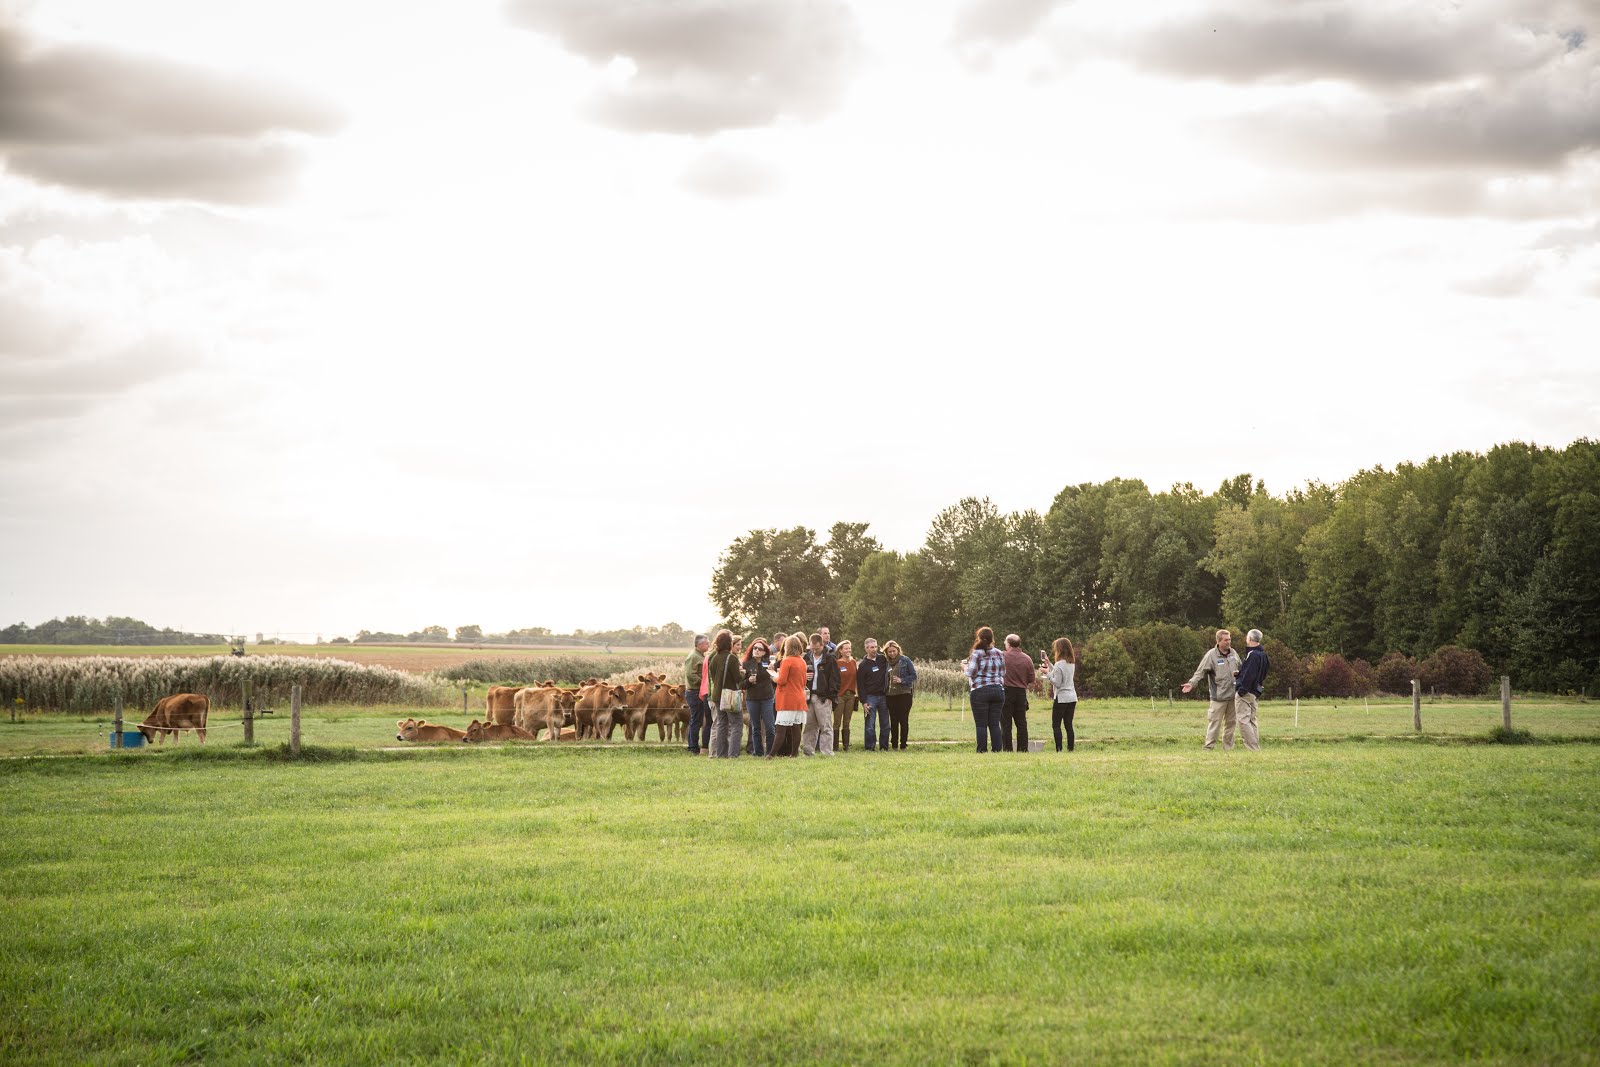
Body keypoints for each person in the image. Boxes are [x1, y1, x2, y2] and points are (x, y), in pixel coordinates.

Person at [1182, 628, 1243, 750]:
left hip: (1233, 696)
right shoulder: (1211, 655)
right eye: (1226, 640)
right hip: (1218, 698)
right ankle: (1209, 747)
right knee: (1215, 723)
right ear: (1219, 641)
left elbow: (1242, 669)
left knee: (1231, 724)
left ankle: (1228, 748)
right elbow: (1200, 672)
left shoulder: (1234, 653)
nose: (1229, 642)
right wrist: (1191, 683)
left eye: (1229, 639)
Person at [965, 626, 1006, 753]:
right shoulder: (999, 653)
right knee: (994, 723)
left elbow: (971, 673)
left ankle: (982, 750)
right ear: (992, 638)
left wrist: (964, 668)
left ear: (979, 638)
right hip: (998, 690)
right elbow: (1003, 672)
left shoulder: (976, 653)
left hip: (980, 690)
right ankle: (997, 750)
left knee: (981, 724)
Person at [706, 630, 744, 758]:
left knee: (721, 724)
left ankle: (721, 754)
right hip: (730, 695)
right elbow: (738, 678)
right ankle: (733, 754)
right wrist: (743, 672)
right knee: (736, 724)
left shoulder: (714, 658)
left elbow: (713, 676)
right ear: (729, 644)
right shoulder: (731, 658)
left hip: (716, 695)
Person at [768, 635, 807, 758]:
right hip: (799, 697)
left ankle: (771, 754)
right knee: (796, 728)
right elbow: (803, 681)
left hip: (787, 698)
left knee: (781, 729)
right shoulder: (802, 661)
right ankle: (794, 753)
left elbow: (782, 680)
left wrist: (774, 677)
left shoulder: (787, 661)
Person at [801, 632, 840, 756]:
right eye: (812, 648)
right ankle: (808, 751)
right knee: (809, 726)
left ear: (822, 645)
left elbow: (835, 679)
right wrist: (805, 677)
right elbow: (799, 676)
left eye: (816, 648)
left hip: (823, 697)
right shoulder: (806, 657)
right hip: (809, 695)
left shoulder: (830, 658)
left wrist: (831, 697)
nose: (814, 651)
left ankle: (827, 752)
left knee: (825, 725)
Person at [1232, 629, 1269, 751]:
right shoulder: (1263, 654)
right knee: (1252, 720)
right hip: (1255, 691)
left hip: (1247, 692)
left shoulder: (1252, 654)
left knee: (1243, 720)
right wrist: (1240, 674)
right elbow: (1262, 672)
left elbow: (1250, 674)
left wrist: (1242, 689)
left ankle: (1252, 748)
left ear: (1250, 639)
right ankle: (1255, 746)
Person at [1000, 633, 1035, 752]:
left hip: (1006, 691)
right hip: (1021, 693)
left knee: (1006, 723)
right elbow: (1031, 678)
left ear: (1008, 644)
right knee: (1021, 723)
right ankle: (1023, 749)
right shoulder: (1027, 658)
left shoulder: (1002, 656)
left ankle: (1007, 749)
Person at [743, 637, 777, 757]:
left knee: (770, 727)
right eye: (754, 648)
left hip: (767, 698)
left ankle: (770, 753)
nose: (756, 650)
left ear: (764, 652)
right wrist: (748, 680)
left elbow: (776, 679)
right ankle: (758, 752)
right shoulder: (746, 664)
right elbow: (741, 684)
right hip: (752, 699)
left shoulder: (769, 663)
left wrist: (773, 671)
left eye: (759, 649)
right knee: (755, 727)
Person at [856, 637, 890, 751]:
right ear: (866, 649)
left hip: (884, 696)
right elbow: (860, 685)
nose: (874, 649)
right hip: (870, 698)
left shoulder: (883, 659)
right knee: (870, 725)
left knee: (885, 724)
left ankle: (884, 747)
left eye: (876, 647)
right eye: (871, 647)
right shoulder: (863, 665)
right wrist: (864, 701)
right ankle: (870, 748)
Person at [883, 640, 916, 750]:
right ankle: (894, 745)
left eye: (894, 651)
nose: (892, 653)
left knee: (903, 720)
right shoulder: (886, 663)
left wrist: (902, 680)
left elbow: (913, 675)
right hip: (890, 695)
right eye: (889, 652)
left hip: (904, 694)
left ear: (898, 650)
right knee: (893, 720)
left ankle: (903, 744)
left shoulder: (905, 660)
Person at [1047, 637, 1078, 752]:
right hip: (1072, 697)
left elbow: (1057, 683)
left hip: (1061, 698)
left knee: (1056, 725)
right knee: (1068, 725)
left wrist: (1048, 674)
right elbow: (1059, 671)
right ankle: (1070, 749)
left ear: (1059, 649)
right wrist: (1049, 664)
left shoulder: (1059, 663)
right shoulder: (1071, 663)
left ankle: (1059, 749)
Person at [683, 634, 711, 756]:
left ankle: (693, 745)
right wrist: (704, 682)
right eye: (706, 643)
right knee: (696, 720)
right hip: (694, 692)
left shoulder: (699, 655)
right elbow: (690, 674)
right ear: (699, 645)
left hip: (697, 691)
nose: (708, 645)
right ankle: (693, 747)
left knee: (697, 719)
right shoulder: (693, 657)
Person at [832, 640, 858, 751]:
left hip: (851, 696)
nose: (848, 650)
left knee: (847, 722)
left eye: (849, 648)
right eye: (846, 648)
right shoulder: (837, 663)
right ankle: (835, 746)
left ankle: (846, 746)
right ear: (841, 651)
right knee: (837, 722)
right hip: (840, 696)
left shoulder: (853, 662)